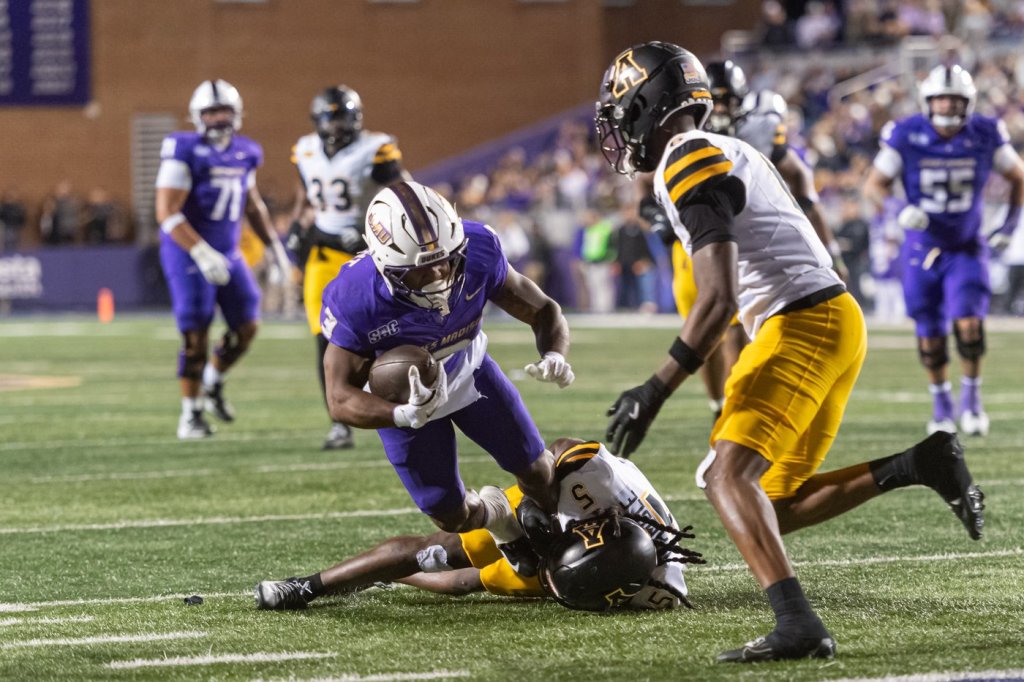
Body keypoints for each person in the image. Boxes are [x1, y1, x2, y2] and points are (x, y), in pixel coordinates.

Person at [595, 42, 985, 663]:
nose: (618, 128)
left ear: (645, 106)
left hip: (802, 320)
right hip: (829, 319)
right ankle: (919, 463)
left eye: (621, 111)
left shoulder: (687, 155)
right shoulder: (721, 148)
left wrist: (654, 389)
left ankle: (798, 624)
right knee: (771, 502)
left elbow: (718, 299)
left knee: (727, 477)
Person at [319, 180, 574, 562]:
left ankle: (563, 540)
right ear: (385, 265)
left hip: (468, 370)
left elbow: (543, 309)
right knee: (451, 515)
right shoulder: (356, 296)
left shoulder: (479, 248)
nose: (439, 274)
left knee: (538, 470)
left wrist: (554, 352)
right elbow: (339, 399)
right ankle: (498, 518)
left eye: (446, 260)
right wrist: (401, 414)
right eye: (422, 270)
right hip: (406, 402)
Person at [254, 437, 702, 611]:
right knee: (439, 550)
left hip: (584, 555)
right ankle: (307, 586)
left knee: (467, 582)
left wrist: (556, 577)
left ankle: (392, 575)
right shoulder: (592, 480)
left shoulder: (662, 589)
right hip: (557, 503)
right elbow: (550, 453)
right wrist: (535, 509)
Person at [864, 64, 1024, 437]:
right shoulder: (907, 134)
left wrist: (1008, 227)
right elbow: (874, 186)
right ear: (928, 101)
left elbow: (1018, 177)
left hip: (966, 246)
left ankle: (972, 402)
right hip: (921, 248)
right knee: (930, 335)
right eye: (941, 99)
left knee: (969, 326)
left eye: (955, 100)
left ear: (968, 102)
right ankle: (942, 407)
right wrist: (898, 209)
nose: (948, 106)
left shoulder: (985, 133)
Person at [155, 79, 291, 440]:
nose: (217, 118)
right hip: (186, 250)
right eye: (210, 112)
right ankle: (191, 415)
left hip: (229, 252)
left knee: (248, 325)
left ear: (237, 113)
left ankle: (213, 380)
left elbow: (252, 204)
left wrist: (275, 249)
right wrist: (200, 252)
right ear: (197, 116)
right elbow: (166, 212)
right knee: (195, 332)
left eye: (223, 111)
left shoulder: (246, 151)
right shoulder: (184, 148)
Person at [289, 85, 407, 450]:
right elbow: (306, 196)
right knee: (324, 341)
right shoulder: (305, 149)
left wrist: (373, 230)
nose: (335, 125)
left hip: (367, 255)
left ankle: (402, 407)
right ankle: (339, 423)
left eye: (341, 117)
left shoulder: (376, 148)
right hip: (322, 257)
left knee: (388, 335)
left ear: (355, 118)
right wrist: (297, 225)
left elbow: (402, 195)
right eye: (329, 118)